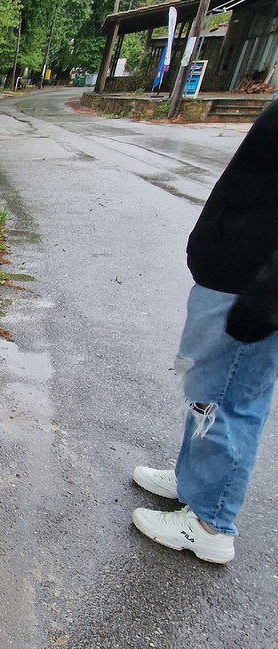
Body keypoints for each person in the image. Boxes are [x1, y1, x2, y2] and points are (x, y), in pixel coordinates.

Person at [132, 98, 278, 564]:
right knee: (204, 390)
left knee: (228, 401)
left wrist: (269, 292)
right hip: (231, 271)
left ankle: (210, 523)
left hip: (253, 284)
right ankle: (193, 483)